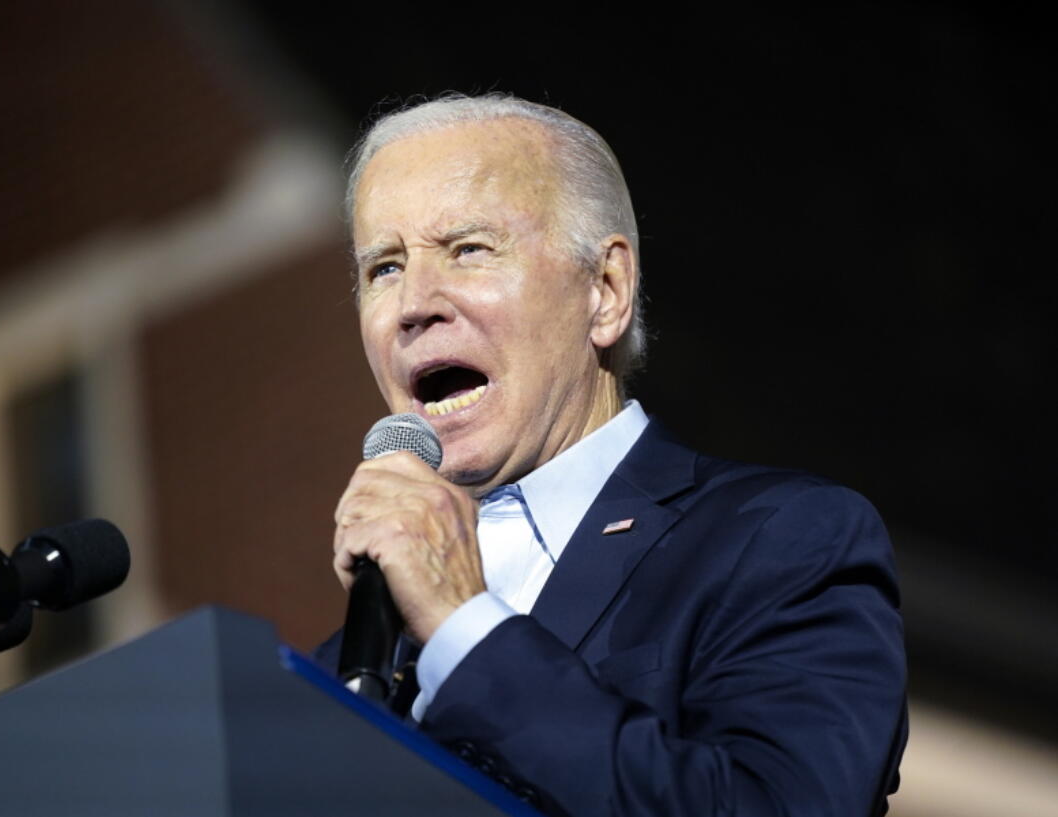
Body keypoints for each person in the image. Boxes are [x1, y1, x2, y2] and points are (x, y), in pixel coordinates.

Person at [322, 93, 907, 816]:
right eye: (383, 267)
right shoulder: (340, 668)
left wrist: (462, 626)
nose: (414, 303)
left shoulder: (780, 541)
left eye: (468, 249)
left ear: (605, 291)